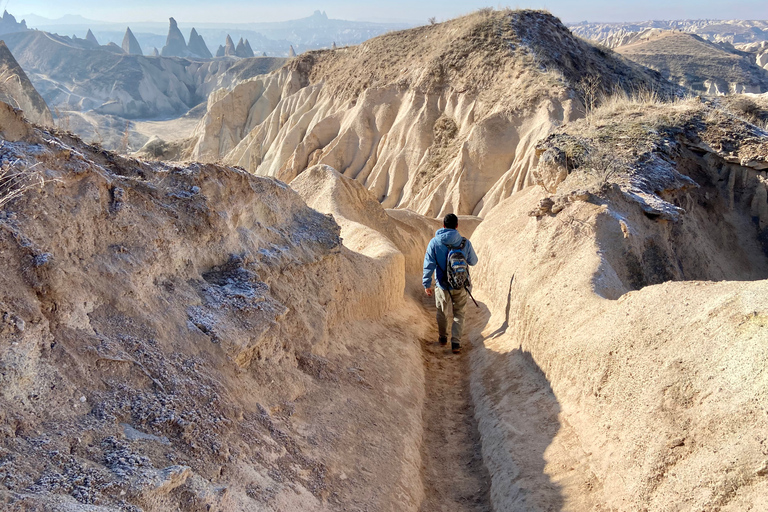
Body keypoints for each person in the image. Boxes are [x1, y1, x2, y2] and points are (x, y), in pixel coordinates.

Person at [422, 213, 478, 354]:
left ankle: (442, 338)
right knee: (459, 313)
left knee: (442, 312)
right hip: (460, 285)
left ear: (443, 226)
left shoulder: (434, 243)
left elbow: (429, 265)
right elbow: (473, 261)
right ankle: (456, 343)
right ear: (457, 226)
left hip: (442, 284)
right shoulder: (465, 243)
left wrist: (426, 284)